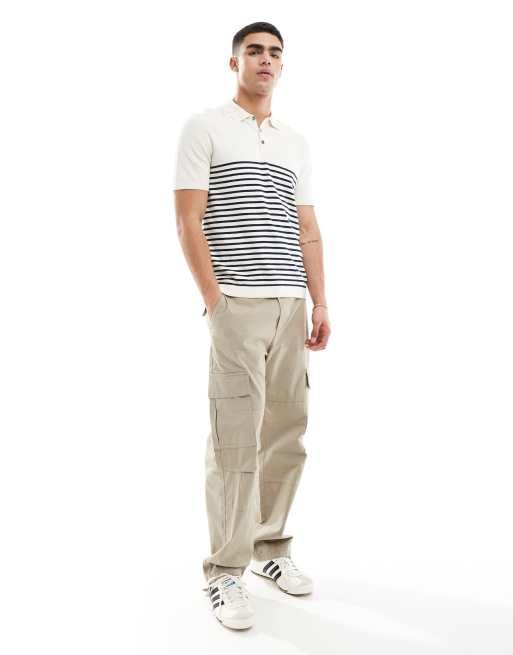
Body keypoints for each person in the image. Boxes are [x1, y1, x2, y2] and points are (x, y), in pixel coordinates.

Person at [173, 21, 330, 630]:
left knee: (286, 433)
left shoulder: (295, 142)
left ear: (282, 67)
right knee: (235, 439)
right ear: (234, 61)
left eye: (275, 53)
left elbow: (307, 228)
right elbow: (188, 221)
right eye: (255, 51)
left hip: (291, 306)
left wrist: (319, 302)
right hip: (237, 305)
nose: (266, 60)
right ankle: (224, 570)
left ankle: (270, 548)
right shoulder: (205, 127)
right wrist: (216, 302)